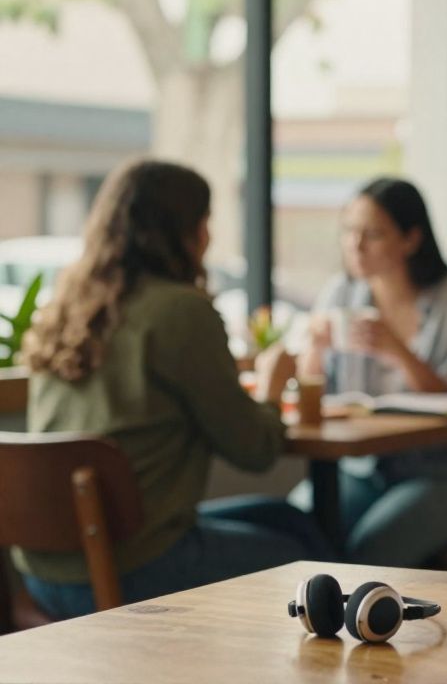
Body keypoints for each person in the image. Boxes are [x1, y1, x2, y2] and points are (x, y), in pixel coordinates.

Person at [17, 159, 329, 619]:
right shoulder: (181, 311)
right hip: (130, 570)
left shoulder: (68, 309)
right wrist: (270, 384)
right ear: (187, 232)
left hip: (44, 573)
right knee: (312, 558)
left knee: (286, 518)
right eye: (205, 223)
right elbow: (256, 449)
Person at [294, 177, 447, 567]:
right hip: (360, 469)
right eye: (349, 231)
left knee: (368, 551)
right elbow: (310, 390)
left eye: (373, 234)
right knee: (297, 531)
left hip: (443, 476)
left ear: (411, 239)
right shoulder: (341, 293)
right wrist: (314, 349)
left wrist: (397, 352)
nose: (355, 244)